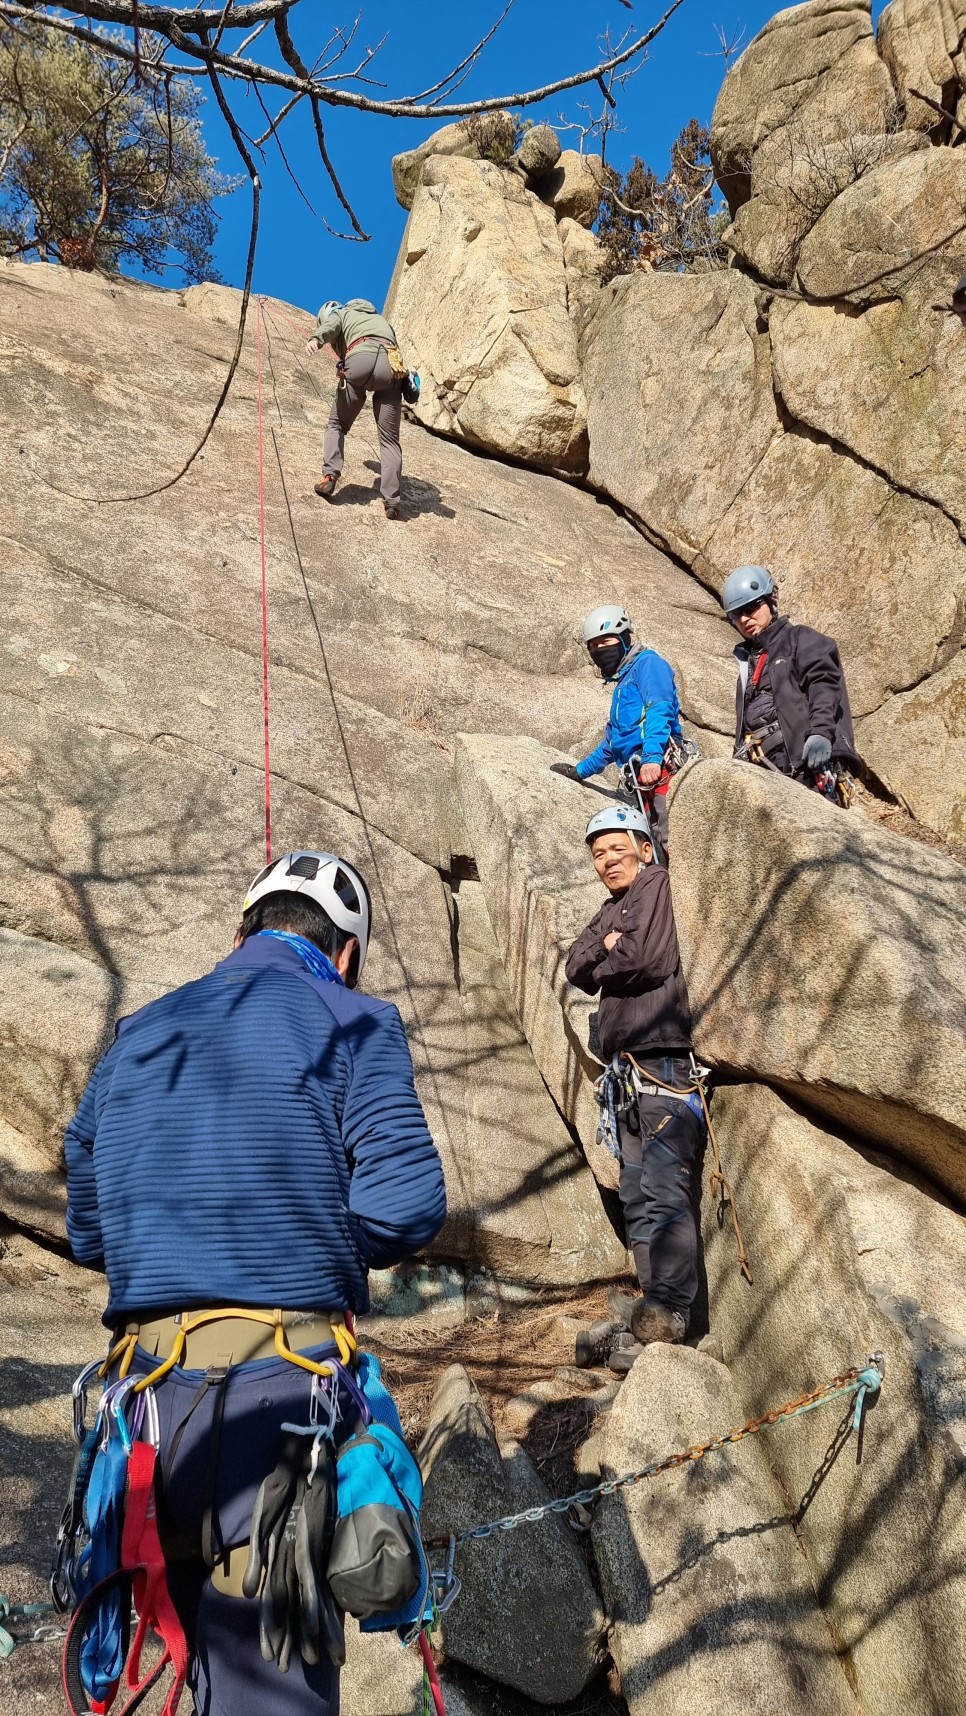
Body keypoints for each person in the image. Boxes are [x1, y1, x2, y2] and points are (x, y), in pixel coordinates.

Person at [64, 850, 446, 1716]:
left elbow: (86, 1192)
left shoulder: (139, 1029)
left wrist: (155, 1252)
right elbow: (405, 1209)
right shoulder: (357, 1019)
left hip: (147, 1416)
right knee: (272, 1694)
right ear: (344, 953)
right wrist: (306, 1241)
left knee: (160, 1658)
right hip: (284, 1413)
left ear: (238, 931)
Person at [565, 805, 705, 1374]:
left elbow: (650, 958)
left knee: (664, 1187)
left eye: (615, 849)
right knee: (635, 1190)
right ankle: (649, 1305)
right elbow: (576, 964)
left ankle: (670, 1311)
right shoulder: (610, 910)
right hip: (625, 1074)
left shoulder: (656, 887)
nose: (605, 862)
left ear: (644, 848)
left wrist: (612, 951)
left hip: (662, 1062)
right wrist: (608, 946)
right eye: (598, 854)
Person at [549, 605, 687, 852]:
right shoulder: (623, 683)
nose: (601, 649)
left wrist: (652, 758)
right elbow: (613, 744)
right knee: (653, 851)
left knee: (670, 847)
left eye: (607, 641)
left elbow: (660, 709)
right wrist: (580, 771)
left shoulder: (649, 665)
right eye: (594, 645)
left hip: (661, 774)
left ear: (625, 639)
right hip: (641, 783)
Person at [721, 565, 858, 798]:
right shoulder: (748, 664)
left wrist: (821, 734)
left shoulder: (800, 639)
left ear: (770, 600)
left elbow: (823, 683)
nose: (745, 619)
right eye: (736, 615)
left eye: (751, 607)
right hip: (766, 769)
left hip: (807, 763)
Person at [307, 298, 405, 519]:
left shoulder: (341, 313)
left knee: (337, 424)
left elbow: (331, 327)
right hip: (391, 368)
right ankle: (392, 502)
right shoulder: (380, 320)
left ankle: (329, 477)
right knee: (390, 440)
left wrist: (317, 339)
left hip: (360, 360)